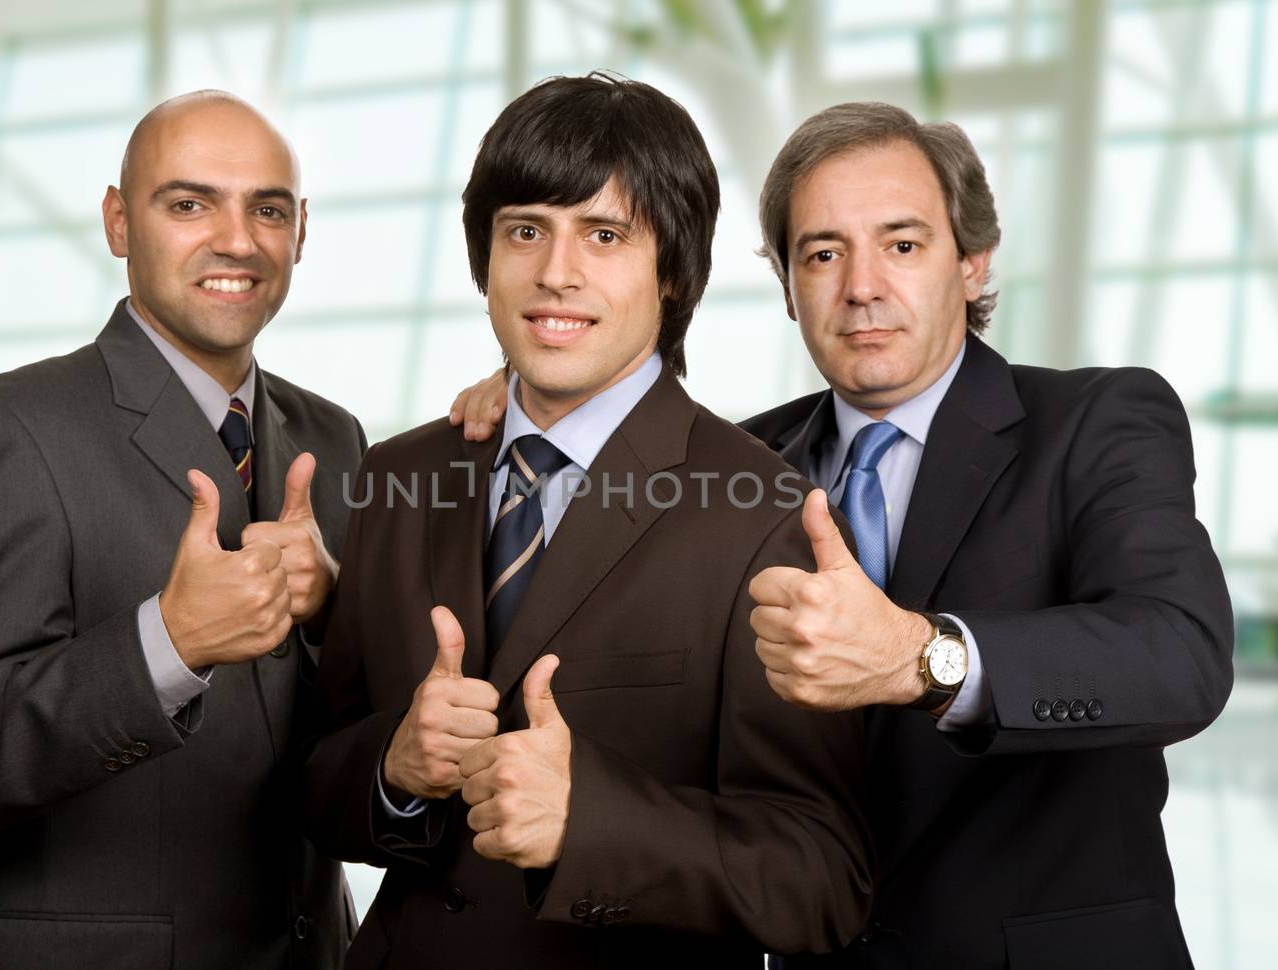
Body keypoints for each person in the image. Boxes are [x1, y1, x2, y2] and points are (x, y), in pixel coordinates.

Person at [450, 101, 1234, 968]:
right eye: (822, 253)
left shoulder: (1094, 422)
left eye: (902, 245)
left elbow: (1179, 654)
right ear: (788, 288)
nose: (861, 286)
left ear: (971, 264)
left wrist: (920, 657)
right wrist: (538, 393)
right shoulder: (735, 467)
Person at [299, 73, 871, 970]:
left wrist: (588, 823)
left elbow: (818, 878)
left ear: (674, 272)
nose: (555, 272)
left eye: (605, 235)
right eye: (525, 230)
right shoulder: (401, 474)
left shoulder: (764, 514)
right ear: (485, 255)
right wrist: (393, 769)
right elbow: (312, 780)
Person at [0, 90, 362, 969]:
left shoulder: (333, 437)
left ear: (299, 232)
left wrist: (336, 611)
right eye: (189, 204)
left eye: (266, 209)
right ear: (119, 222)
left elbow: (342, 739)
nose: (236, 240)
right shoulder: (5, 428)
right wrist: (169, 643)